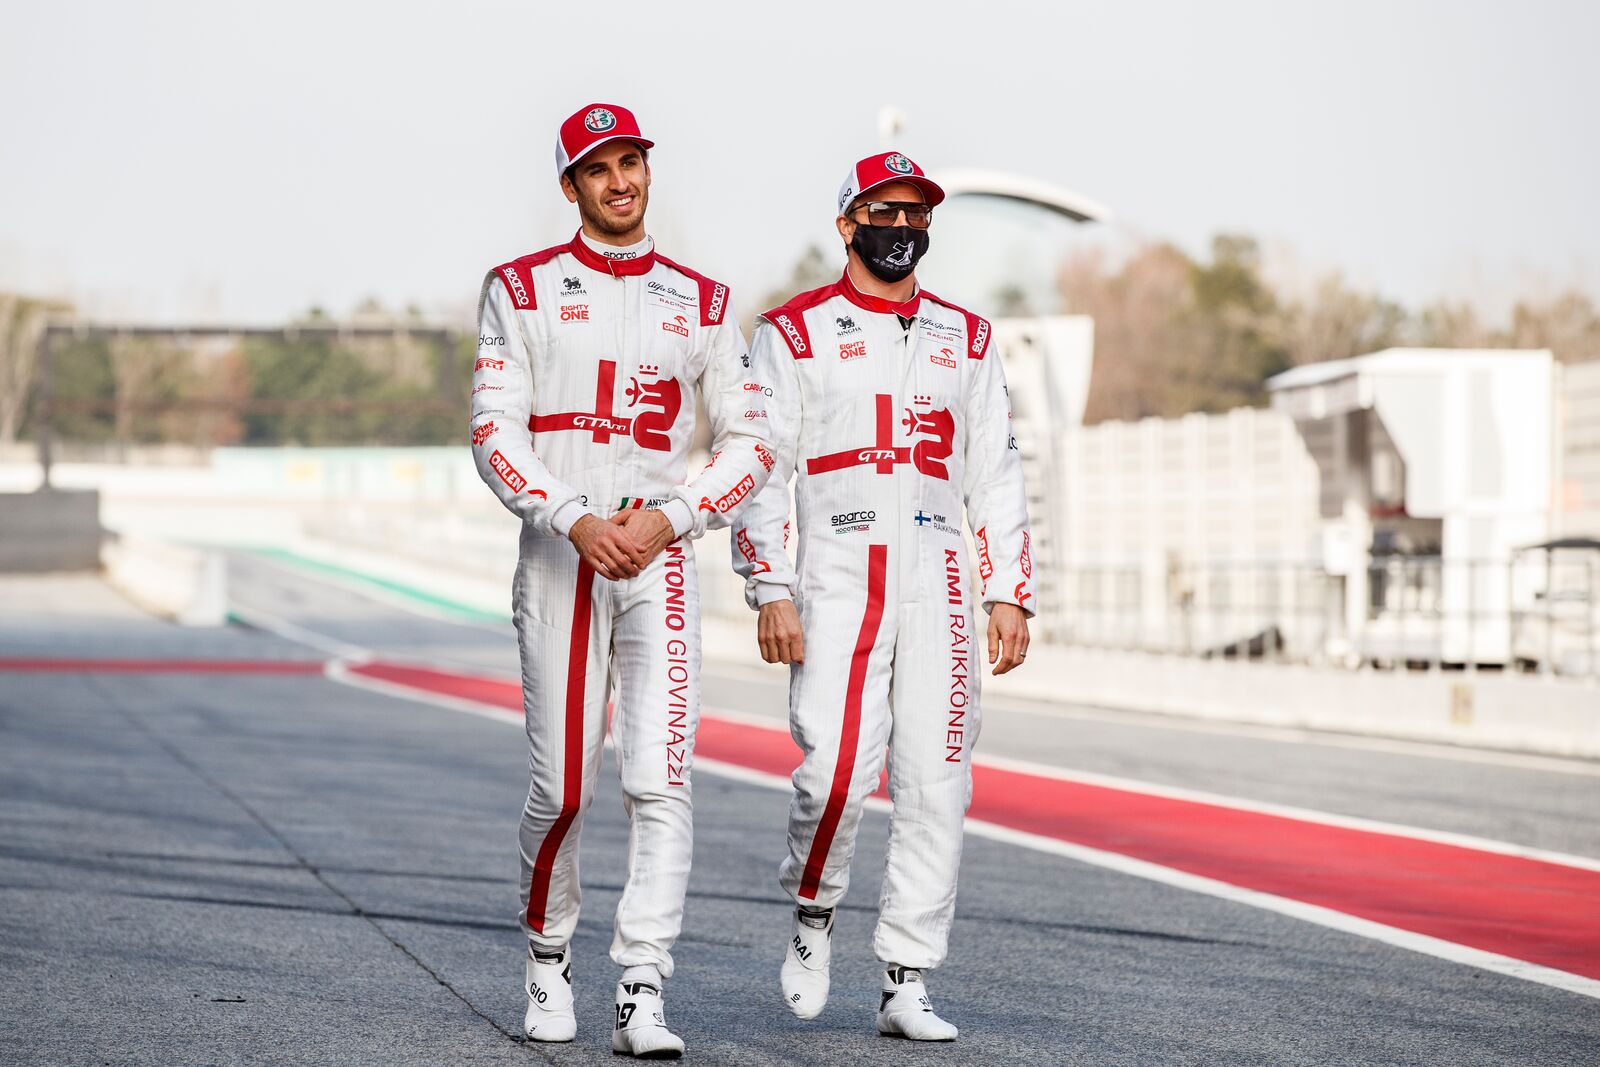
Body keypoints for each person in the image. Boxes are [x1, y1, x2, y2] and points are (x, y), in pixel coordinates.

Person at [470, 102, 773, 1058]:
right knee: (564, 786)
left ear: (648, 170)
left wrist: (672, 517)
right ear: (571, 185)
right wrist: (572, 516)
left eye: (631, 162)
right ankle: (548, 951)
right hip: (562, 555)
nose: (620, 181)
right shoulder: (518, 289)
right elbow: (492, 432)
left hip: (660, 561)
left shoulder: (706, 300)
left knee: (661, 778)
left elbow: (753, 441)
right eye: (599, 168)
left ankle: (642, 983)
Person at [729, 150, 1034, 1041]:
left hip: (940, 578)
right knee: (833, 773)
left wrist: (1009, 591)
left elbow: (997, 472)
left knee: (938, 782)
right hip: (836, 575)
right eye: (883, 212)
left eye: (915, 214)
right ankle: (814, 909)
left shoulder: (966, 337)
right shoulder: (793, 333)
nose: (901, 228)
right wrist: (769, 585)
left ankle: (907, 976)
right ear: (847, 223)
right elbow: (760, 470)